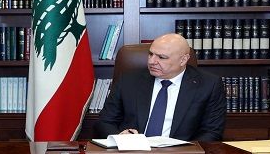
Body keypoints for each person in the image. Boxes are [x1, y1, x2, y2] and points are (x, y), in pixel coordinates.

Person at [94, 33, 225, 141]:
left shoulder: (209, 84)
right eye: (151, 54)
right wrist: (120, 138)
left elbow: (212, 131)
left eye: (162, 57)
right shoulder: (129, 80)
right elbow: (105, 122)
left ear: (183, 60)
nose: (152, 61)